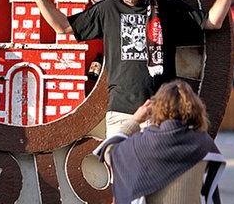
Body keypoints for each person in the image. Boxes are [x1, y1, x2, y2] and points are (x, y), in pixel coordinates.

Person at [24, 0, 234, 136]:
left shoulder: (169, 7)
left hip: (162, 113)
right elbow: (63, 27)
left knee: (158, 179)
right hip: (122, 114)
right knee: (122, 178)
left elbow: (212, 22)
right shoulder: (108, 9)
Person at [93, 79, 226, 203]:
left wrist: (135, 121)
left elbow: (110, 151)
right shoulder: (203, 144)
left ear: (157, 108)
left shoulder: (144, 143)